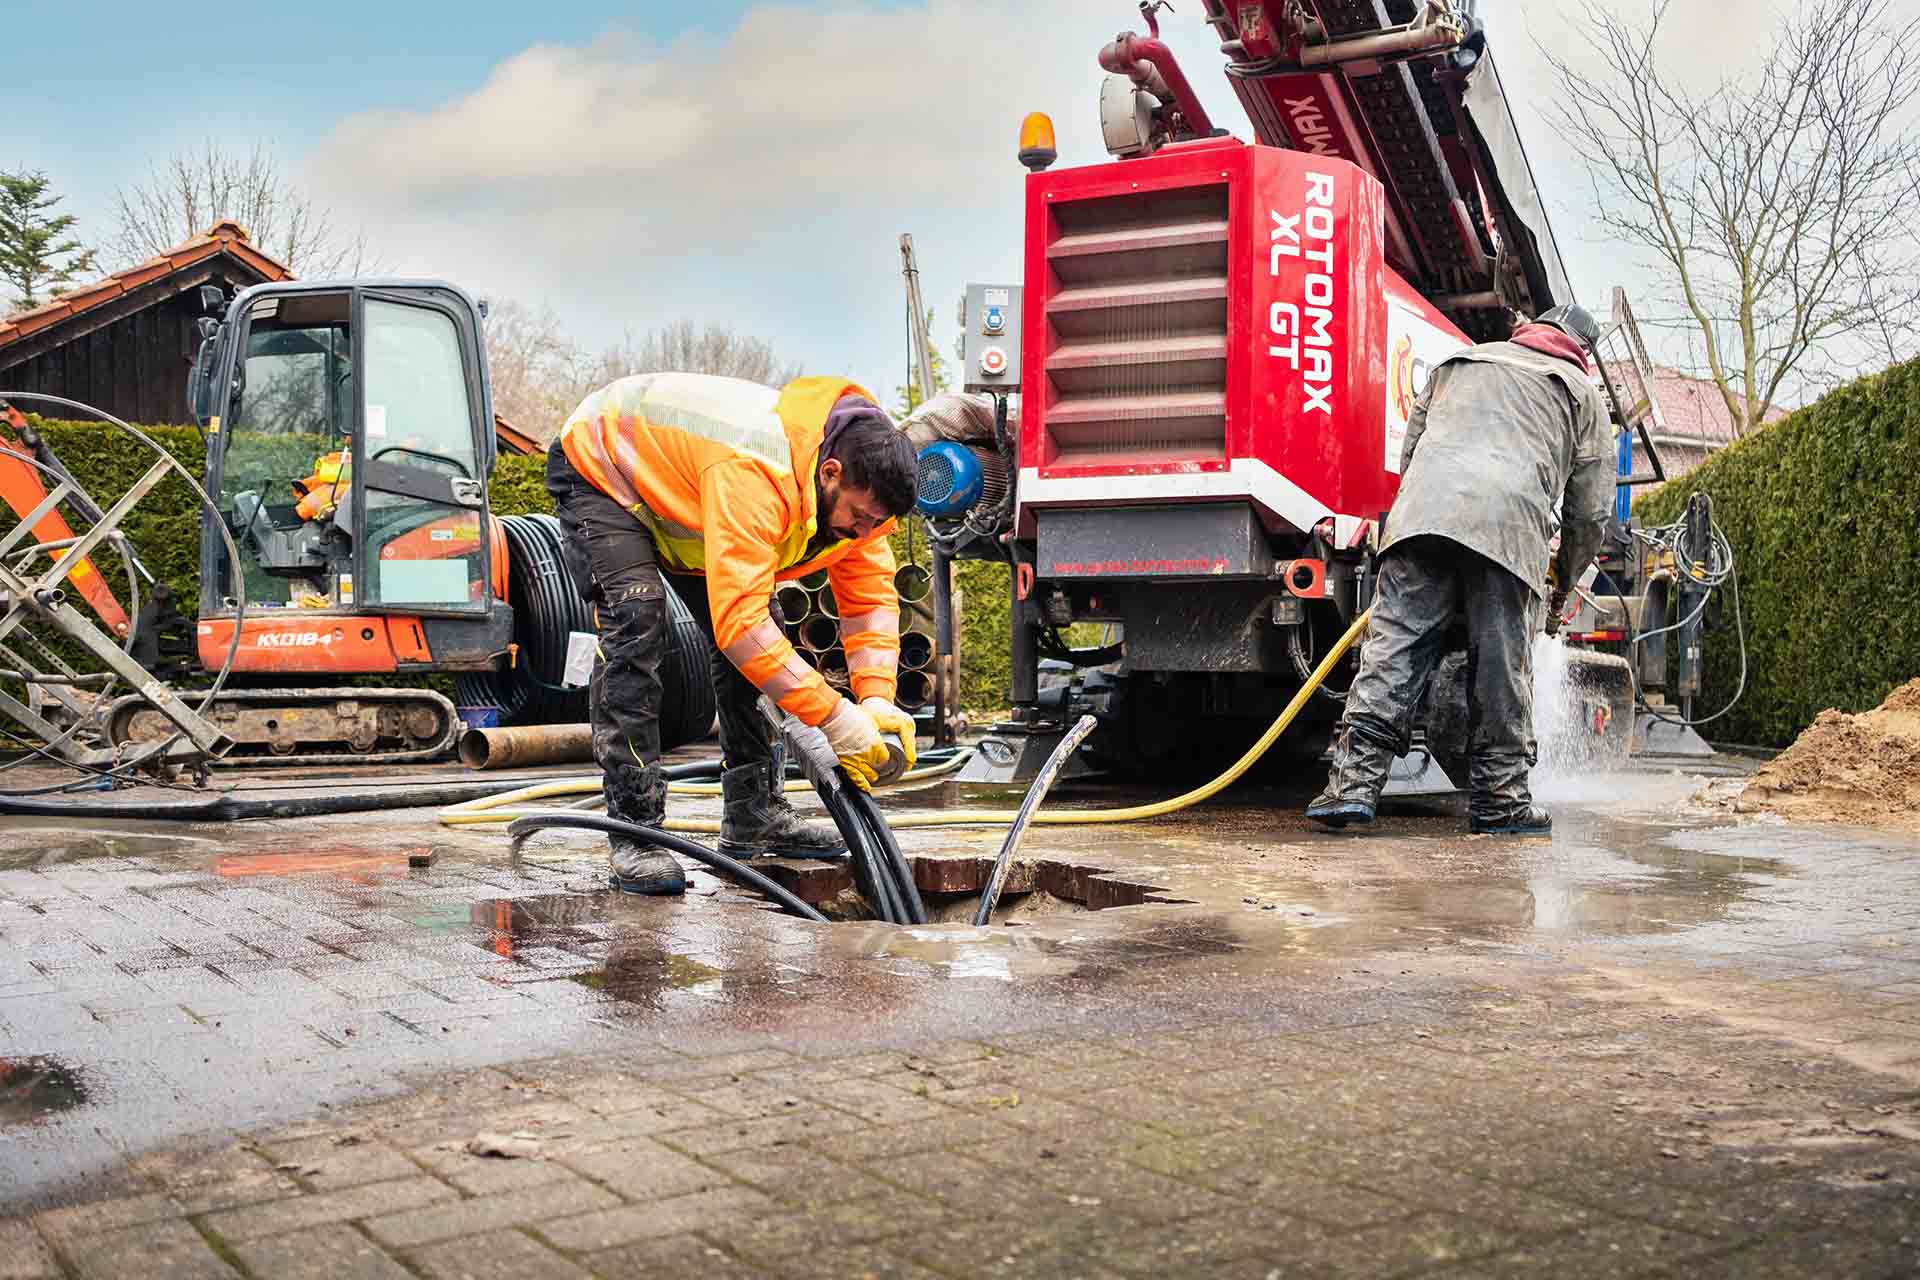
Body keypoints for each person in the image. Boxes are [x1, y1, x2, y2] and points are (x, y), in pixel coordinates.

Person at [546, 372, 921, 894]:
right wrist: (835, 717)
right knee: (638, 621)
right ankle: (634, 831)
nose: (862, 533)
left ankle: (755, 814)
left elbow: (869, 605)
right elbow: (740, 628)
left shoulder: (865, 499)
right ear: (830, 471)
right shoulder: (757, 467)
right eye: (858, 518)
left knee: (765, 638)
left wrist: (876, 699)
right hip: (605, 465)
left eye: (873, 525)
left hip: (687, 495)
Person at [1307, 304, 1613, 836]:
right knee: (1501, 668)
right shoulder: (1580, 392)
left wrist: (1422, 520)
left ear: (1528, 331)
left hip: (1421, 521)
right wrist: (1562, 581)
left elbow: (1413, 457)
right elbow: (1590, 514)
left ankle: (1349, 789)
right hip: (1507, 531)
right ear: (1582, 350)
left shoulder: (1459, 364)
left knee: (1393, 653)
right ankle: (1500, 803)